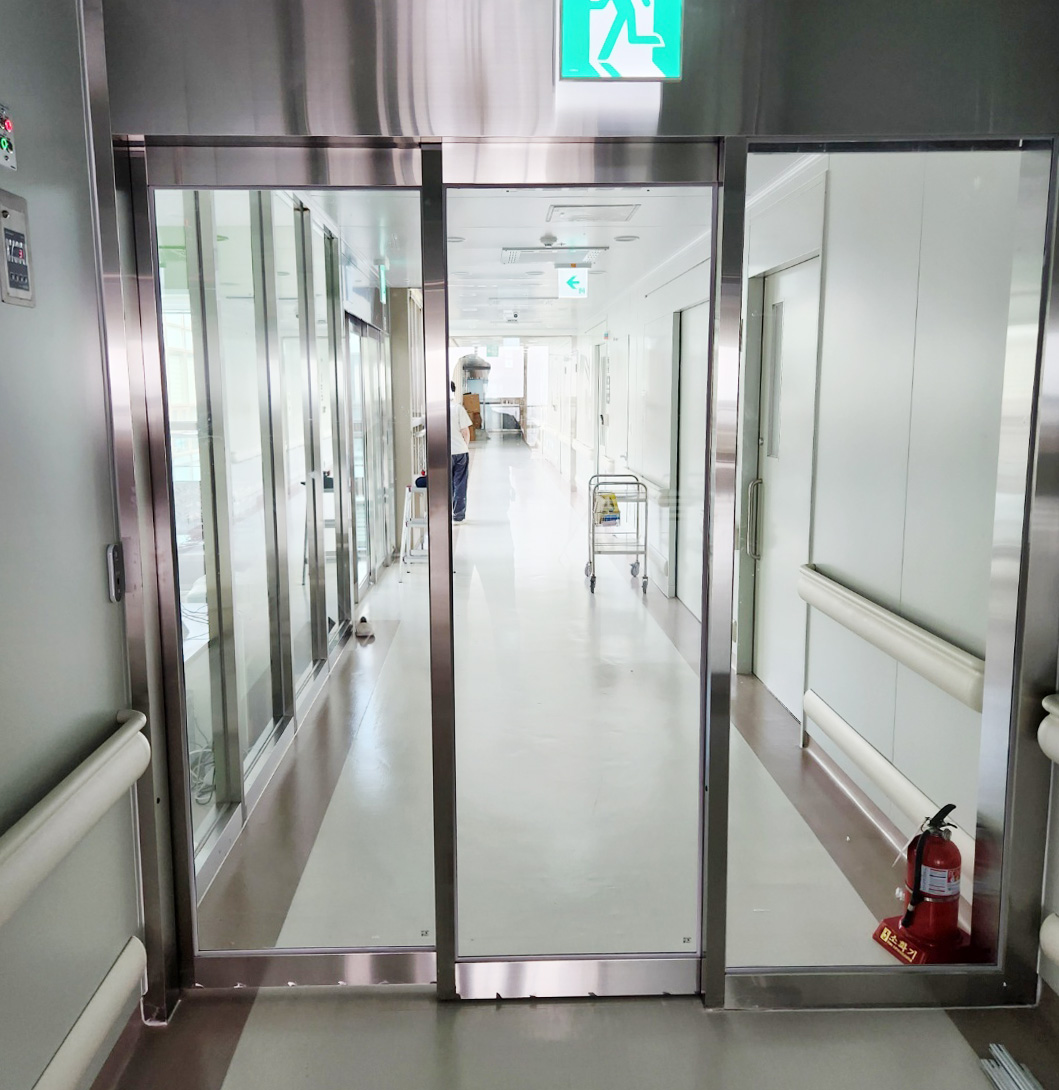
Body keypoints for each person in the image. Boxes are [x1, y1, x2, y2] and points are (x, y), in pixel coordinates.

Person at [450, 380, 472, 522]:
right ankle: (458, 515)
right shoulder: (457, 408)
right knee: (460, 483)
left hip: (443, 453)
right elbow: (465, 432)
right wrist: (466, 447)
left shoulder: (435, 410)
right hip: (459, 452)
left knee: (446, 484)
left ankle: (445, 513)